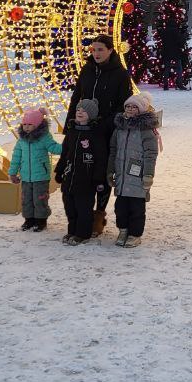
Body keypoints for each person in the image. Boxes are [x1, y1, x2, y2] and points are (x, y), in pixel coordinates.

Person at [66, 34, 134, 236]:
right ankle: (83, 214)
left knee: (102, 174)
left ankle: (99, 214)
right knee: (83, 171)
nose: (96, 53)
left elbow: (123, 105)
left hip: (105, 133)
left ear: (110, 50)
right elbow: (77, 97)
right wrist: (71, 123)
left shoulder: (120, 74)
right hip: (82, 129)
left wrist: (105, 124)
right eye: (93, 50)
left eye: (100, 50)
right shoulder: (86, 70)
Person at [54, 99, 109, 245]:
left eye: (84, 111)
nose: (80, 112)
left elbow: (101, 158)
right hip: (69, 177)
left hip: (86, 180)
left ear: (91, 115)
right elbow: (65, 153)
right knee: (70, 207)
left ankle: (82, 234)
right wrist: (59, 171)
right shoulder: (72, 131)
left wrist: (98, 178)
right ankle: (72, 231)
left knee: (83, 208)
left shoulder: (95, 134)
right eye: (78, 110)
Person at [109, 92, 160, 247]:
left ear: (141, 110)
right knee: (120, 207)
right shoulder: (120, 128)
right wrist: (110, 171)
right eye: (128, 106)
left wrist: (148, 174)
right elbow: (113, 149)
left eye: (134, 107)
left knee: (137, 209)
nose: (130, 109)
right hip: (122, 177)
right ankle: (123, 230)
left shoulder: (146, 130)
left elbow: (151, 153)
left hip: (138, 178)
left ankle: (135, 234)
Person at [7, 107, 61, 233]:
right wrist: (13, 172)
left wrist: (67, 146)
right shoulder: (22, 140)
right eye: (24, 124)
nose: (26, 127)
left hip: (41, 176)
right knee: (26, 199)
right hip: (26, 176)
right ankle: (29, 220)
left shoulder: (44, 137)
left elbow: (54, 148)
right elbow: (16, 156)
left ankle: (41, 221)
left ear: (37, 125)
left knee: (40, 199)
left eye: (30, 124)